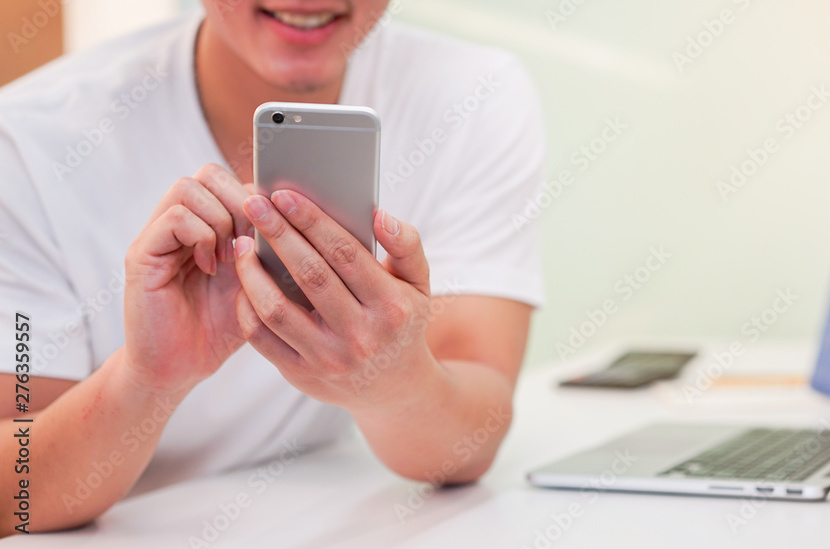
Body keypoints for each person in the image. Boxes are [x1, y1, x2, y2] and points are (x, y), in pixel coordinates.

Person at [0, 0, 544, 535]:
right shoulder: (27, 143)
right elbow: (11, 494)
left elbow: (471, 441)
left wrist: (392, 382)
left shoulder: (473, 96)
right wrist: (146, 381)